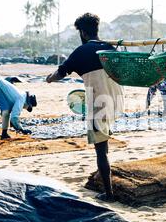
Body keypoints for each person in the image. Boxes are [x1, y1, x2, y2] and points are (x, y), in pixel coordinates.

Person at [46, 13, 124, 202]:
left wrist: (49, 78)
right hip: (117, 101)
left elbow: (61, 73)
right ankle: (107, 186)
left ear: (82, 32)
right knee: (103, 144)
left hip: (99, 103)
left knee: (101, 150)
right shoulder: (109, 48)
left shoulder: (80, 52)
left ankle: (109, 193)